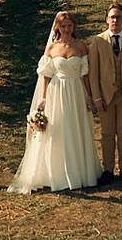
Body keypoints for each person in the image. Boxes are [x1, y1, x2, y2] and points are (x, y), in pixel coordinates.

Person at [9, 11, 102, 193]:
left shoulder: (81, 47)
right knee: (58, 130)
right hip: (56, 92)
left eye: (69, 25)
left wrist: (88, 97)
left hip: (75, 91)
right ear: (58, 27)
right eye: (63, 26)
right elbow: (45, 75)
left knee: (76, 128)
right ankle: (56, 174)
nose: (67, 29)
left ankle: (81, 173)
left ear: (74, 27)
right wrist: (43, 98)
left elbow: (85, 75)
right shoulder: (52, 48)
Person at [88, 1, 122, 185]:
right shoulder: (97, 42)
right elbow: (93, 73)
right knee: (107, 133)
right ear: (106, 19)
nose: (115, 20)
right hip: (105, 96)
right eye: (112, 17)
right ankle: (108, 169)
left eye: (118, 17)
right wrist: (96, 97)